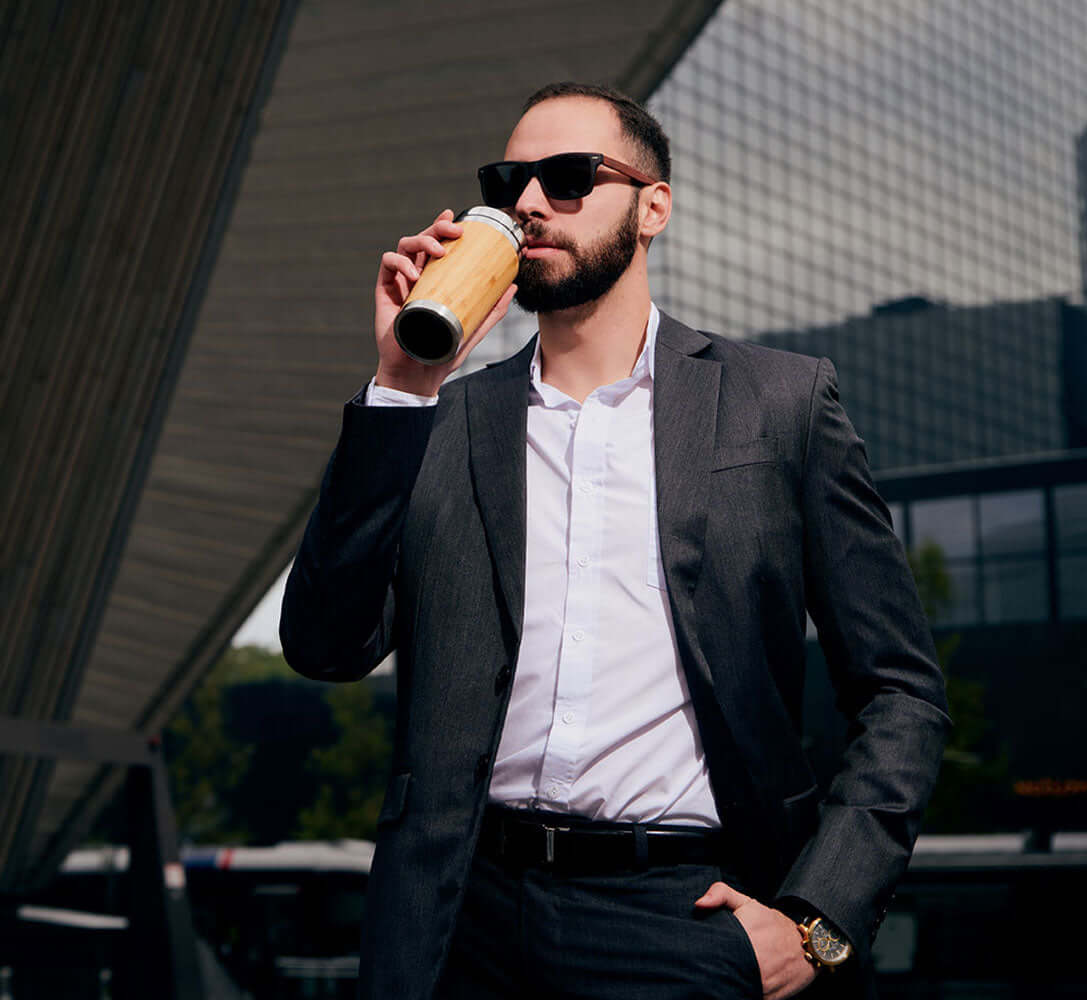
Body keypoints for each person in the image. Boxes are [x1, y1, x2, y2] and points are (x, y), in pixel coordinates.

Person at [280, 82, 950, 1000]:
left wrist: (819, 918)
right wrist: (401, 382)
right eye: (509, 180)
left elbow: (903, 689)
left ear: (653, 209)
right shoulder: (436, 421)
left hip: (688, 917)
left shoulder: (781, 404)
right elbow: (324, 645)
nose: (525, 204)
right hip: (456, 924)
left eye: (566, 178)